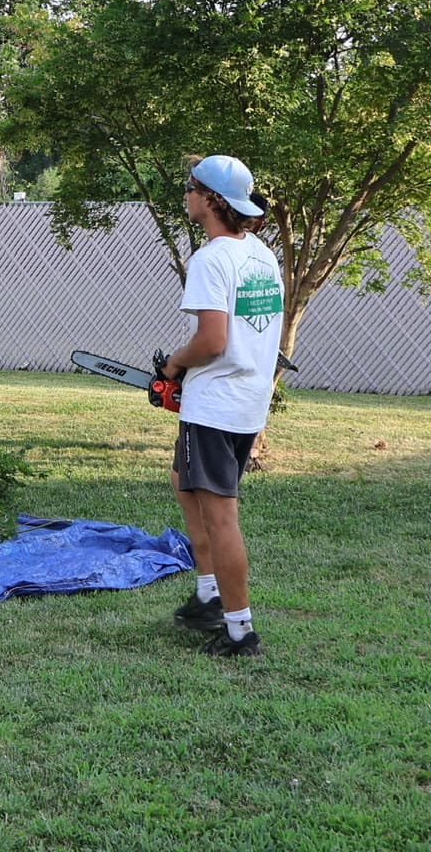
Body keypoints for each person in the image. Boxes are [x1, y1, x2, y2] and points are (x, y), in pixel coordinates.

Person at [159, 153, 284, 657]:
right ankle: (210, 595)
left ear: (211, 198)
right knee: (183, 481)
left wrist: (172, 366)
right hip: (247, 400)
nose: (185, 195)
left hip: (216, 407)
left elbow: (211, 341)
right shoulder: (258, 252)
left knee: (222, 516)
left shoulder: (210, 259)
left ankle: (240, 630)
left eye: (190, 187)